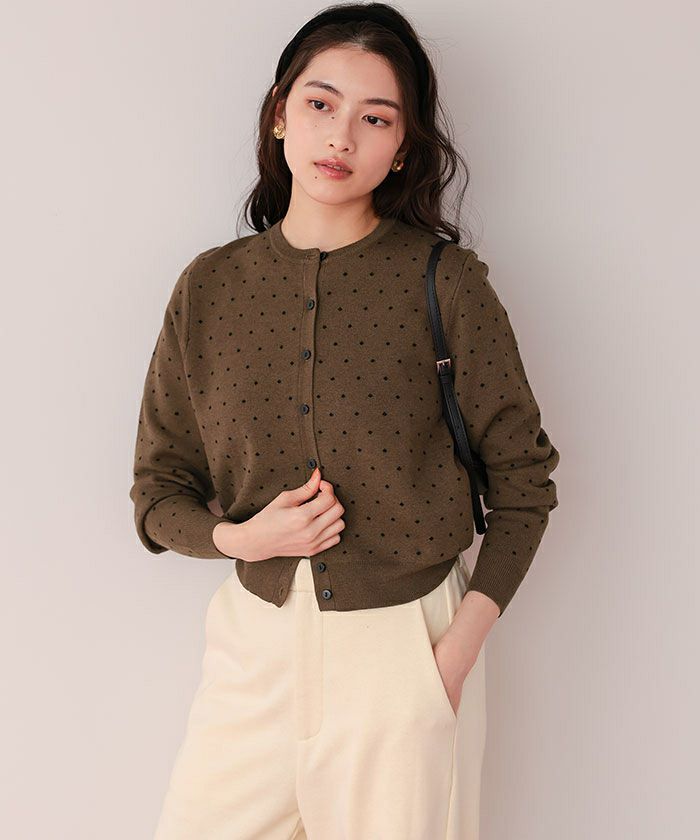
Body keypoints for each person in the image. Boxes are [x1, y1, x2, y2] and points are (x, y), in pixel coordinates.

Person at [128, 3, 560, 838]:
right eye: (321, 103)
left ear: (403, 147)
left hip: (404, 650)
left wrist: (450, 656)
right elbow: (158, 491)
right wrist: (240, 538)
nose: (340, 136)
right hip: (251, 652)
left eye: (376, 118)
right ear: (280, 113)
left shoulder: (448, 284)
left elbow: (524, 484)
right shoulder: (209, 287)